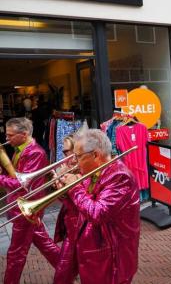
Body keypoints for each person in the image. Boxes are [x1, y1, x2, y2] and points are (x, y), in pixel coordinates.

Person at [58, 129, 140, 283]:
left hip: (111, 259)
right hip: (94, 251)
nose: (74, 161)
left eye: (78, 156)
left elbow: (97, 213)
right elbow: (81, 208)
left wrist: (74, 188)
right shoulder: (93, 172)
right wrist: (65, 193)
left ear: (95, 155)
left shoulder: (120, 176)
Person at [0, 117, 60, 284]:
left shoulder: (34, 152)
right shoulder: (22, 149)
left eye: (10, 135)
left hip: (26, 208)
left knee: (16, 253)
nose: (7, 138)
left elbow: (21, 185)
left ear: (24, 134)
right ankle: (66, 269)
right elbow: (17, 177)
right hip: (24, 207)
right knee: (44, 243)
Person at [53, 135, 80, 284]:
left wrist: (66, 187)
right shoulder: (67, 168)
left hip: (81, 228)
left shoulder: (86, 170)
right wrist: (59, 188)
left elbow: (80, 204)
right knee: (64, 270)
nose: (64, 156)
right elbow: (65, 202)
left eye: (66, 151)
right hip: (71, 226)